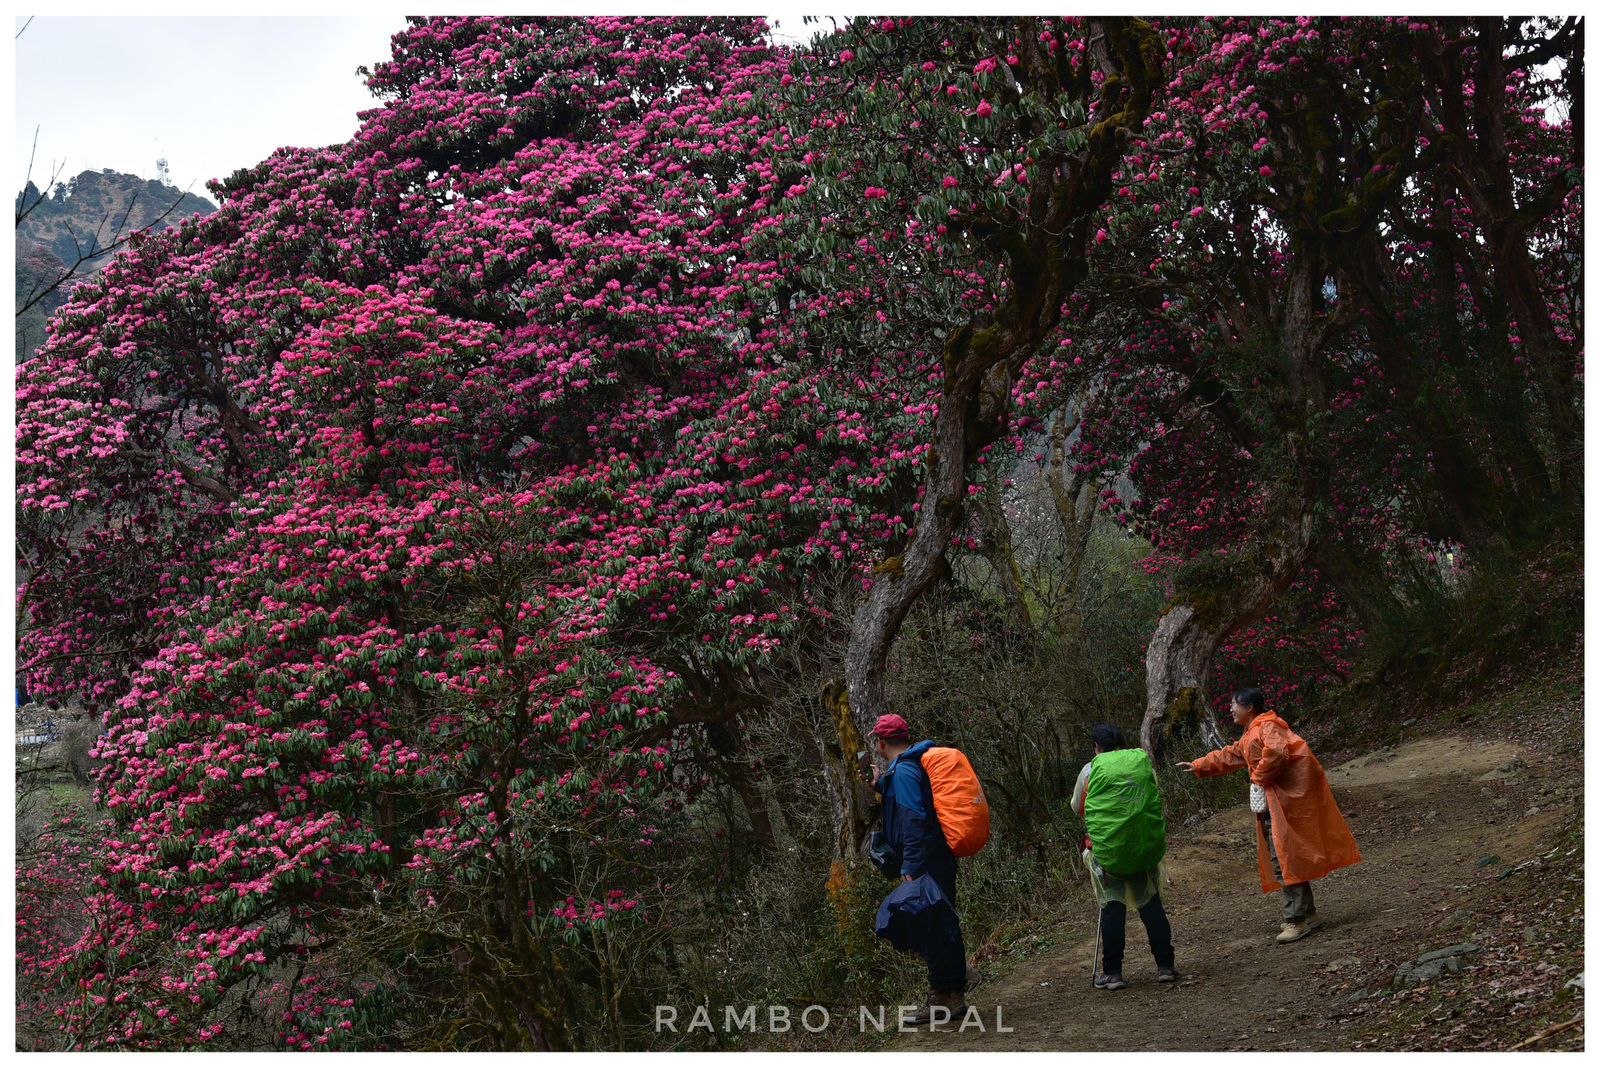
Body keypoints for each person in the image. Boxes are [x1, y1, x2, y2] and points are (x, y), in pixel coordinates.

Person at [1177, 688, 1361, 944]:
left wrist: (1258, 778)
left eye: (1234, 704)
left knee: (1284, 859)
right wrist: (1199, 764)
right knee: (1289, 857)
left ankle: (1295, 920)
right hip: (1277, 805)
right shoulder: (1254, 731)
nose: (1230, 709)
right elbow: (1231, 754)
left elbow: (1276, 754)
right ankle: (1308, 913)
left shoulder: (1267, 727)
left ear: (1249, 706)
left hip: (1283, 806)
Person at [870, 713, 967, 1022]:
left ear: (881, 743)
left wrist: (910, 866)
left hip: (926, 861)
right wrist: (881, 784)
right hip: (937, 856)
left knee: (932, 927)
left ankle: (944, 996)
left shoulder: (905, 773)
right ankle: (952, 993)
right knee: (941, 923)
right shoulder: (911, 766)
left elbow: (913, 819)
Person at [1071, 723, 1177, 990]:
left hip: (1108, 853)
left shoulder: (1090, 769)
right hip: (1144, 847)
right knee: (1151, 905)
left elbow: (1077, 807)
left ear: (1097, 747)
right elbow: (1152, 793)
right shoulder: (1141, 762)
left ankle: (1113, 973)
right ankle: (1165, 966)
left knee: (1112, 908)